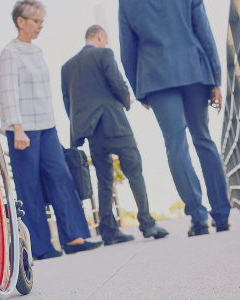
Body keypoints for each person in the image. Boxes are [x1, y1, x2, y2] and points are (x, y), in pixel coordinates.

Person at [0, 0, 101, 260]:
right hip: (23, 130)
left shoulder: (39, 51)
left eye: (42, 22)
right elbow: (9, 94)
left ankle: (75, 238)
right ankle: (41, 247)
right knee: (29, 187)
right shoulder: (10, 52)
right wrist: (17, 129)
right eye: (36, 21)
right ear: (21, 21)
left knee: (61, 178)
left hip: (47, 127)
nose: (40, 27)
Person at [118, 0, 231, 236]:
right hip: (194, 70)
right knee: (203, 140)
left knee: (175, 145)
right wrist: (216, 77)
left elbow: (127, 49)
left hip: (156, 78)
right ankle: (222, 216)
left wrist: (140, 91)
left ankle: (199, 218)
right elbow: (203, 30)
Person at [60, 25, 169, 245]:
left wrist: (80, 126)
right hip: (113, 122)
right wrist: (127, 100)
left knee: (104, 179)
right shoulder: (104, 53)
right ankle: (147, 223)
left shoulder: (67, 66)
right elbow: (117, 82)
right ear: (100, 37)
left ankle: (109, 231)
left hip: (90, 131)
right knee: (134, 170)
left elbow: (67, 102)